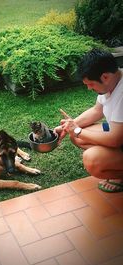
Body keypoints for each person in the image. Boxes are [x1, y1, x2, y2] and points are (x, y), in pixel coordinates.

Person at [54, 48, 123, 193]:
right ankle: (115, 161)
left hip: (117, 137)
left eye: (90, 84)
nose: (88, 88)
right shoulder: (113, 81)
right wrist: (70, 126)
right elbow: (97, 110)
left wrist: (77, 130)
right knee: (77, 136)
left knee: (92, 160)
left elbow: (115, 140)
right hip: (117, 133)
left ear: (105, 77)